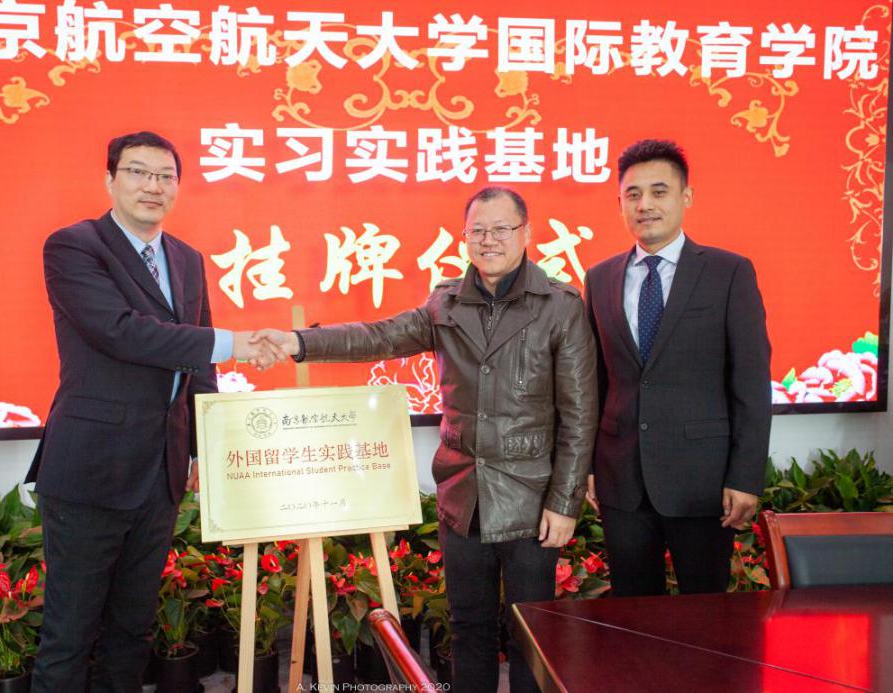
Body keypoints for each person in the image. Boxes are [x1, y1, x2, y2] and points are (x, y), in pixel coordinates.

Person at [254, 187, 597, 693]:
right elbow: (378, 336)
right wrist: (297, 342)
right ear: (465, 237)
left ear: (526, 233)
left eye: (501, 229)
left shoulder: (559, 306)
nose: (489, 240)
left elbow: (580, 412)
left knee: (531, 633)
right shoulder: (446, 303)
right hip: (464, 496)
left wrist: (564, 503)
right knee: (467, 628)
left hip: (531, 496)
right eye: (477, 231)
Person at [25, 131, 283, 691]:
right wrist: (234, 342)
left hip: (161, 475)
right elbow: (121, 333)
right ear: (110, 179)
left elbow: (200, 366)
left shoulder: (186, 259)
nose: (153, 186)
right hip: (91, 471)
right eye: (139, 172)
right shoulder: (74, 246)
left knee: (132, 631)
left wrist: (201, 446)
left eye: (166, 176)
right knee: (69, 635)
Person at [583, 139, 771, 597]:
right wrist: (587, 465)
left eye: (659, 191)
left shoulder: (728, 272)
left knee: (705, 615)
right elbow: (594, 382)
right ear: (620, 203)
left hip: (702, 482)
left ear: (686, 197)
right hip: (622, 481)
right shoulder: (600, 277)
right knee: (633, 614)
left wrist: (744, 477)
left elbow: (750, 383)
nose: (644, 205)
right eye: (632, 194)